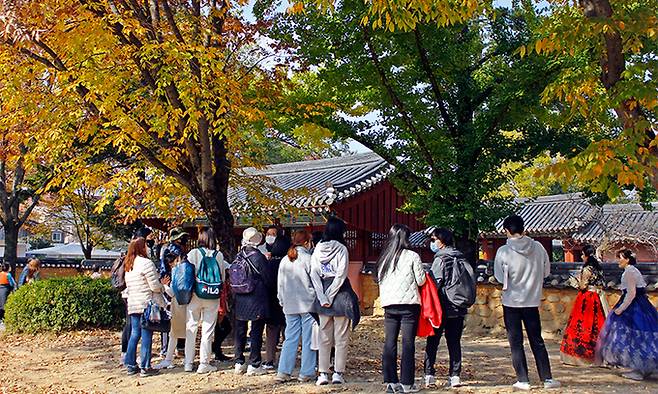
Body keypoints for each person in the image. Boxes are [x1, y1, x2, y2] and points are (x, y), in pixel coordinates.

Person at [493, 215, 560, 390]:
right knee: (537, 340)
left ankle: (523, 379)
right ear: (524, 228)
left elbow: (500, 277)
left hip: (511, 302)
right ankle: (547, 378)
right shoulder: (538, 247)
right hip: (532, 300)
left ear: (507, 231)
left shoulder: (503, 251)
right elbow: (546, 272)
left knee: (516, 342)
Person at [376, 224, 426, 393]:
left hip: (389, 304)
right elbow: (420, 281)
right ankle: (407, 383)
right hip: (409, 304)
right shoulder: (412, 256)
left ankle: (391, 382)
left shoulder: (384, 257)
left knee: (389, 342)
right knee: (407, 343)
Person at [595, 249, 658, 380]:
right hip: (641, 305)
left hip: (633, 307)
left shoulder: (629, 272)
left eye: (620, 257)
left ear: (627, 259)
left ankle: (638, 369)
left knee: (633, 336)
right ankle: (642, 368)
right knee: (640, 335)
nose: (618, 260)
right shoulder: (633, 270)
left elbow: (631, 294)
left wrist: (621, 309)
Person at [310, 217, 353, 386]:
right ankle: (338, 373)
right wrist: (331, 294)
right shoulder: (342, 249)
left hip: (322, 294)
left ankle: (322, 373)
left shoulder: (318, 248)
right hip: (340, 293)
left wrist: (322, 296)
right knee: (341, 336)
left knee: (324, 336)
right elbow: (341, 274)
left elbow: (313, 273)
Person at [424, 228, 468, 389]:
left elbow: (435, 284)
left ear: (441, 241)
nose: (432, 242)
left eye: (434, 239)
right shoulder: (461, 257)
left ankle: (429, 374)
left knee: (433, 341)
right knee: (454, 342)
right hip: (458, 305)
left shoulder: (440, 259)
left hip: (440, 307)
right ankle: (455, 375)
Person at [275, 230, 318, 383]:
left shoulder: (285, 260)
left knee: (290, 338)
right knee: (308, 340)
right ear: (307, 242)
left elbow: (280, 284)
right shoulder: (309, 259)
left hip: (289, 304)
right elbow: (315, 282)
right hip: (307, 304)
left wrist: (282, 301)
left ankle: (283, 371)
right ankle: (306, 372)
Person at [232, 227, 275, 376]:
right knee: (256, 330)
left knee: (240, 330)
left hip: (240, 296)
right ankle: (255, 363)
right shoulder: (258, 256)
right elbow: (268, 278)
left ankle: (239, 361)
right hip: (256, 297)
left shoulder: (239, 255)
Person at [184, 228, 224, 374]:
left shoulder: (193, 253)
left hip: (195, 295)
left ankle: (188, 363)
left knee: (191, 328)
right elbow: (222, 278)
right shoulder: (218, 255)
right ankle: (203, 363)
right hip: (212, 296)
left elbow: (186, 274)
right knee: (208, 330)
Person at [124, 237, 165, 377]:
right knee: (147, 333)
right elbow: (154, 286)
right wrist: (162, 286)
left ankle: (130, 364)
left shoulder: (129, 264)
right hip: (146, 304)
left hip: (133, 303)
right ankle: (145, 366)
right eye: (146, 245)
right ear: (142, 247)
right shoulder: (146, 263)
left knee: (135, 333)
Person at [560, 245, 607, 365]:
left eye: (582, 254)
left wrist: (574, 282)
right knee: (598, 324)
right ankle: (601, 355)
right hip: (597, 297)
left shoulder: (587, 268)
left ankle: (581, 356)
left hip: (587, 298)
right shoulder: (598, 267)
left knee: (583, 324)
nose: (581, 257)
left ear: (585, 255)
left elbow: (583, 286)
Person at [154, 254, 189, 370]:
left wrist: (165, 286)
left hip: (177, 304)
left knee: (174, 333)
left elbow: (173, 293)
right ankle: (187, 359)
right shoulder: (187, 269)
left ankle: (169, 359)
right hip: (187, 303)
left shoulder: (176, 271)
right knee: (187, 332)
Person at [263, 225, 290, 370]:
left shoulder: (268, 263)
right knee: (288, 332)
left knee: (271, 331)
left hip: (271, 301)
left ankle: (269, 360)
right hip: (287, 301)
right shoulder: (289, 263)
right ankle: (286, 360)